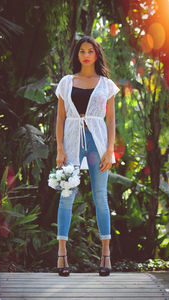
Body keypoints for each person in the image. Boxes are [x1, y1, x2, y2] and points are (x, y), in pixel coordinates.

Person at [55, 36, 120, 276]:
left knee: (100, 198)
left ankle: (106, 255)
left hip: (98, 144)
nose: (85, 55)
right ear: (77, 55)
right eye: (82, 51)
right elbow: (60, 118)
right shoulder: (66, 82)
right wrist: (60, 149)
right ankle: (62, 255)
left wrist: (110, 150)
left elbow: (111, 120)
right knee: (66, 196)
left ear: (96, 54)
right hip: (71, 142)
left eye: (90, 51)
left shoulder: (106, 84)